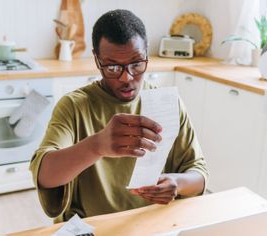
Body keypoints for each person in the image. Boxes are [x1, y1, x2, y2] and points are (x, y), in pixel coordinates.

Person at [30, 9, 208, 223]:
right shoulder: (74, 106)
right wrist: (97, 145)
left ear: (146, 54)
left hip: (149, 223)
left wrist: (177, 183)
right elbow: (45, 176)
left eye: (136, 64)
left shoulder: (166, 103)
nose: (127, 77)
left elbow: (198, 173)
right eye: (113, 67)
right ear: (97, 60)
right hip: (92, 227)